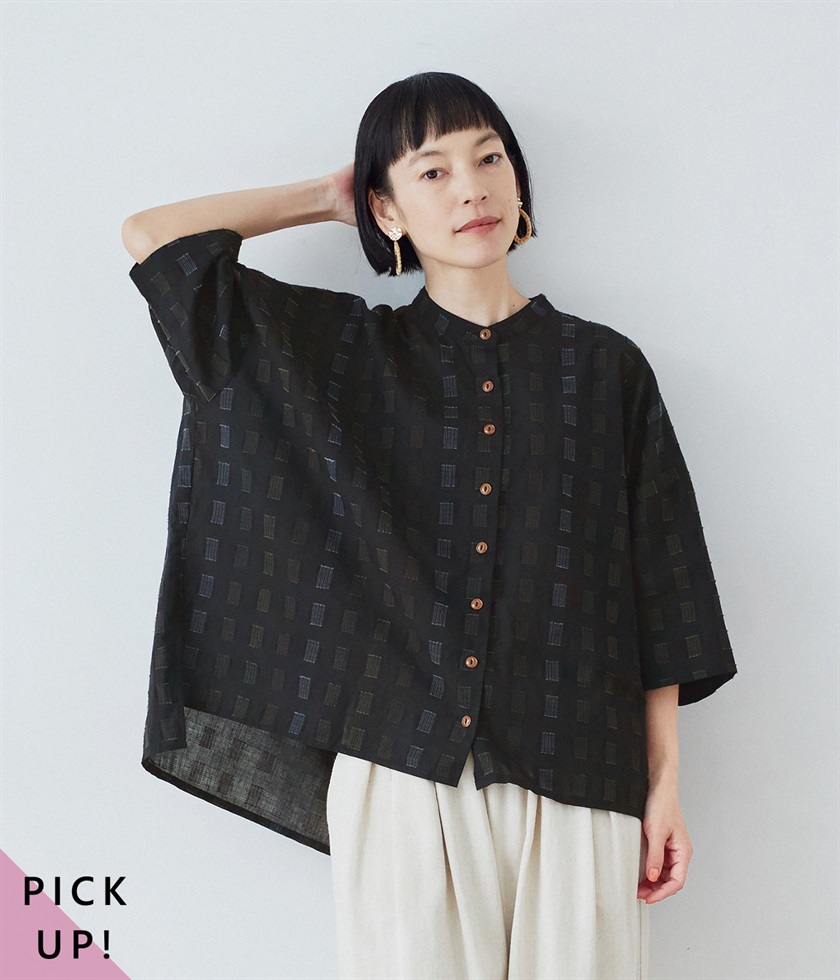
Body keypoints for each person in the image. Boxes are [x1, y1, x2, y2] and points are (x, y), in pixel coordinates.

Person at [123, 72, 737, 980]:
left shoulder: (606, 370)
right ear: (389, 209)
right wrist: (326, 199)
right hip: (405, 769)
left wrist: (664, 784)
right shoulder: (342, 356)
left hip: (582, 764)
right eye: (433, 172)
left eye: (489, 160)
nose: (471, 189)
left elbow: (661, 591)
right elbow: (153, 241)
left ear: (519, 180)